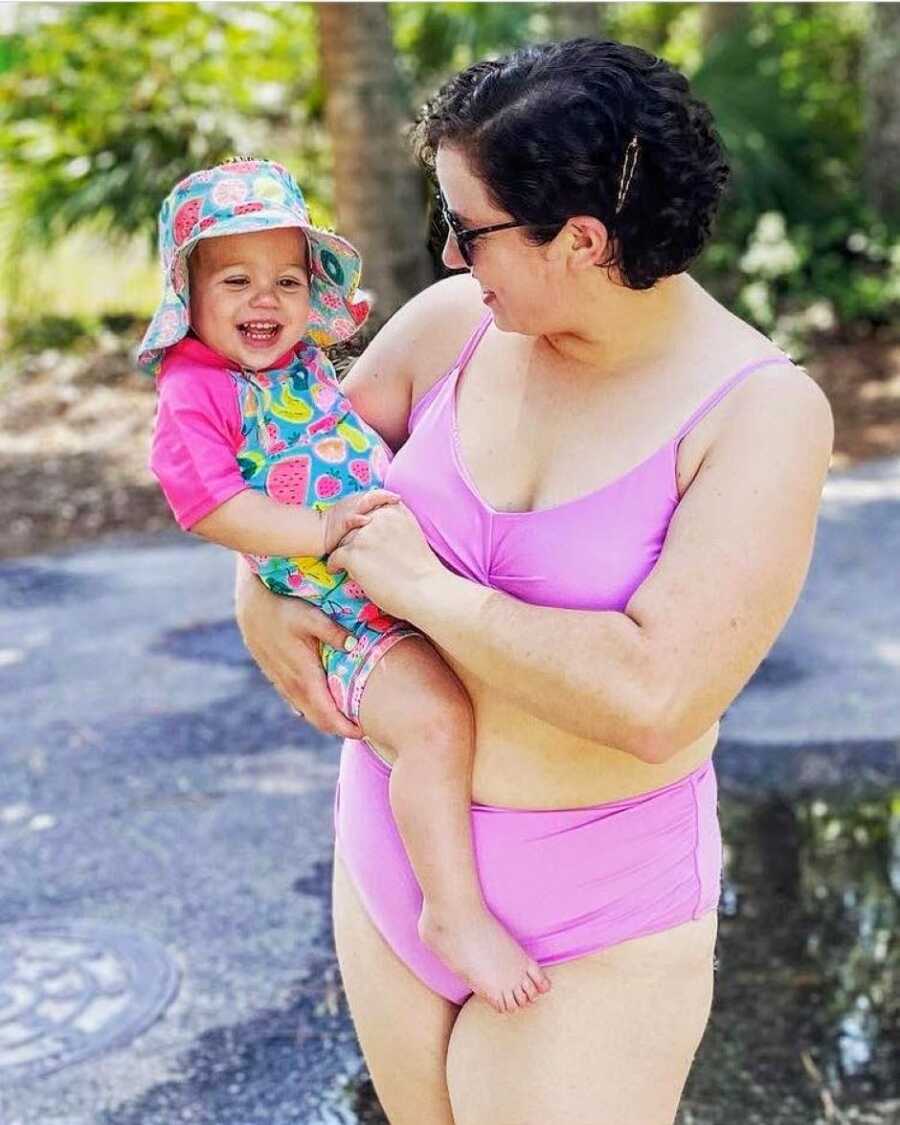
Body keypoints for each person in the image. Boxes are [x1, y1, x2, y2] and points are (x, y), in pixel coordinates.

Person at [235, 40, 834, 1125]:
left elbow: (656, 698)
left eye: (469, 230)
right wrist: (255, 586)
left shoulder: (760, 414)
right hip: (395, 844)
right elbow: (288, 472)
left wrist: (425, 591)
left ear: (584, 240)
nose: (452, 257)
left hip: (593, 905)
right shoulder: (450, 330)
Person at [140, 158, 552, 1014]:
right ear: (189, 292)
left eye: (287, 280)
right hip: (350, 620)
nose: (266, 301)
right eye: (237, 281)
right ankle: (453, 910)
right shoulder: (194, 388)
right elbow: (209, 502)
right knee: (436, 722)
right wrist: (319, 534)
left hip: (392, 585)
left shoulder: (293, 365)